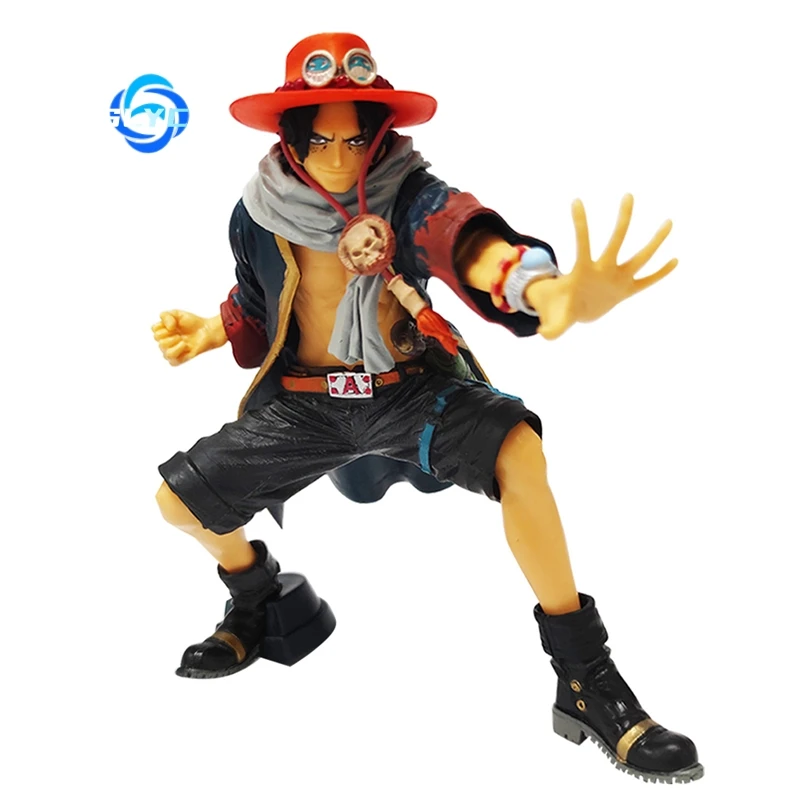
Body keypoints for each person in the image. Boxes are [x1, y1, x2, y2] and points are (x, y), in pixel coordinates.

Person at [152, 32, 702, 783]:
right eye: (322, 140)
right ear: (290, 138)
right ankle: (260, 598)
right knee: (179, 502)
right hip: (308, 404)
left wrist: (543, 289)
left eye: (356, 140)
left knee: (519, 450)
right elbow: (258, 300)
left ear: (380, 134)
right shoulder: (256, 213)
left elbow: (463, 239)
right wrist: (210, 330)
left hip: (408, 391)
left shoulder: (406, 194)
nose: (340, 158)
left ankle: (585, 677)